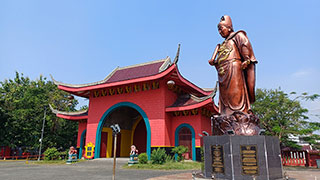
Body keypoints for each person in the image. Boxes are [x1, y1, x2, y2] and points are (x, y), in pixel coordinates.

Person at [209, 15, 257, 116]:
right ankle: (225, 113)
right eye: (218, 30)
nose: (220, 32)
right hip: (223, 72)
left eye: (221, 29)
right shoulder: (222, 44)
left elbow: (245, 45)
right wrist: (215, 62)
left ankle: (240, 112)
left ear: (229, 27)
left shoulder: (237, 36)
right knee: (225, 95)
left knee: (235, 92)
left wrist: (247, 59)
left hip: (234, 68)